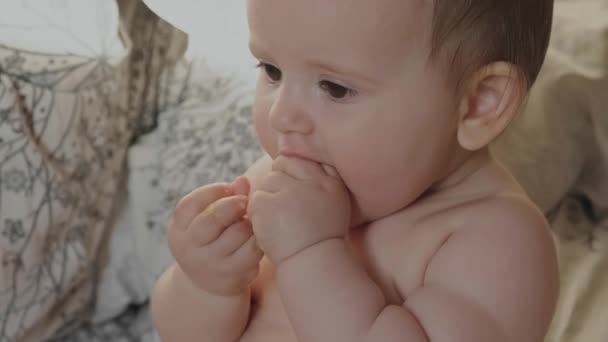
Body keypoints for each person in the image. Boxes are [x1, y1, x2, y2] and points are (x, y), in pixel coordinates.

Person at [151, 0, 559, 341]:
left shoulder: (497, 243)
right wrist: (206, 283)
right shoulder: (285, 179)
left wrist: (311, 254)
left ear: (477, 102)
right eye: (272, 70)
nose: (280, 115)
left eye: (335, 88)